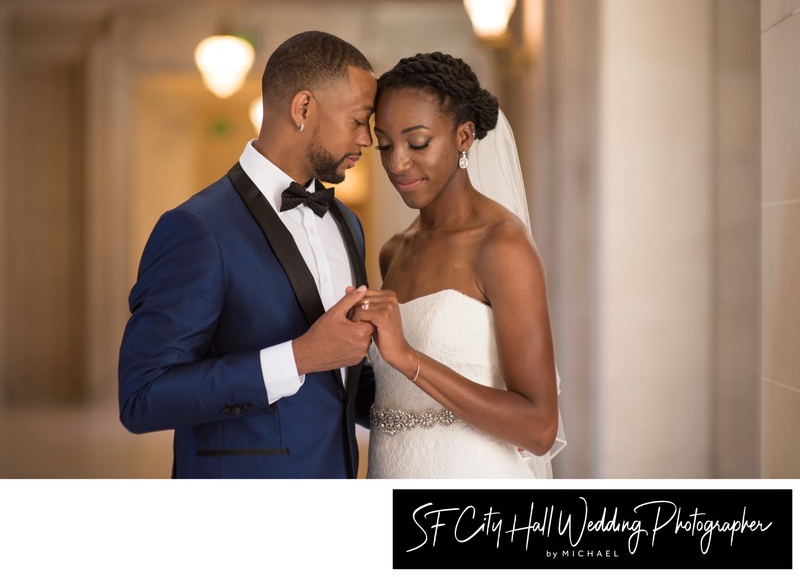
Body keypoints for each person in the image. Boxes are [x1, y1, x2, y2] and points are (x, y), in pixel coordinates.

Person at [118, 31, 377, 478]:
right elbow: (143, 397)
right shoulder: (197, 229)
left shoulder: (347, 223)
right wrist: (298, 357)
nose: (367, 138)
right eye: (358, 120)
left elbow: (339, 386)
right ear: (303, 109)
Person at [351, 52, 566, 478]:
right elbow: (395, 401)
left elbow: (540, 428)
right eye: (386, 145)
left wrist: (409, 358)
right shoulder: (393, 251)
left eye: (417, 143)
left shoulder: (501, 246)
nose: (397, 163)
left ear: (464, 136)